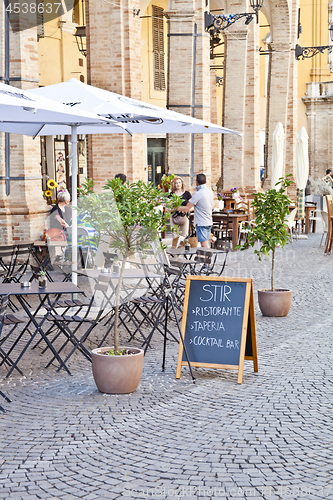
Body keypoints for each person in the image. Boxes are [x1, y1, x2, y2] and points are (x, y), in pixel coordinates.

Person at [176, 173, 214, 248]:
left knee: (203, 243)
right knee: (205, 241)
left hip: (201, 222)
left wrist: (175, 208)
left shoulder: (198, 194)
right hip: (209, 220)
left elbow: (187, 208)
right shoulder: (210, 192)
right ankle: (206, 258)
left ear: (196, 182)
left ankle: (208, 259)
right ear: (206, 182)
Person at [169, 176, 191, 247]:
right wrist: (179, 208)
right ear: (174, 184)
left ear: (182, 183)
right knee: (175, 237)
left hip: (184, 217)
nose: (178, 184)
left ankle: (185, 254)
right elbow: (168, 208)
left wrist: (185, 210)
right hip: (173, 217)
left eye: (179, 182)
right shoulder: (171, 195)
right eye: (176, 183)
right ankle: (175, 255)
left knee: (184, 236)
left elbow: (192, 206)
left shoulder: (187, 194)